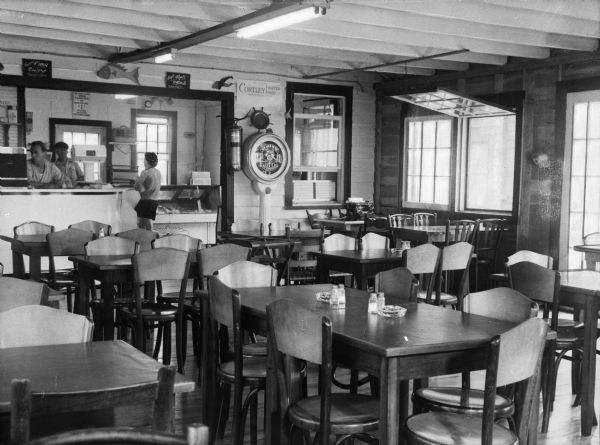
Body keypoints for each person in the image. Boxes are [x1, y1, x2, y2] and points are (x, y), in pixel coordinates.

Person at [134, 152, 161, 230]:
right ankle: (149, 240)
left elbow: (137, 188)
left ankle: (149, 240)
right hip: (155, 201)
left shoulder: (145, 172)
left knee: (144, 224)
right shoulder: (158, 172)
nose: (144, 161)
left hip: (146, 201)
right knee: (146, 223)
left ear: (148, 161)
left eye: (144, 160)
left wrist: (136, 179)